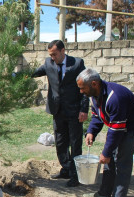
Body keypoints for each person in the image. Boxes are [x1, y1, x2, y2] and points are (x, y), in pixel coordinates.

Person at [77, 68, 134, 197]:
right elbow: (97, 116)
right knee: (109, 161)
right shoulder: (95, 95)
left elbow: (116, 130)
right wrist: (91, 132)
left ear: (94, 83)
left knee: (122, 162)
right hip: (120, 128)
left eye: (82, 88)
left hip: (132, 129)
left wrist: (106, 152)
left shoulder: (115, 97)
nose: (81, 91)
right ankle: (104, 193)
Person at [31, 40, 89, 187]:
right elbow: (36, 72)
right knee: (60, 142)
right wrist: (19, 76)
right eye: (50, 55)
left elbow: (85, 89)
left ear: (63, 51)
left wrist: (84, 109)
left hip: (74, 111)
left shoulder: (77, 64)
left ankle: (76, 176)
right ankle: (66, 168)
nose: (52, 58)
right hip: (57, 110)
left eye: (55, 54)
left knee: (75, 143)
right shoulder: (48, 63)